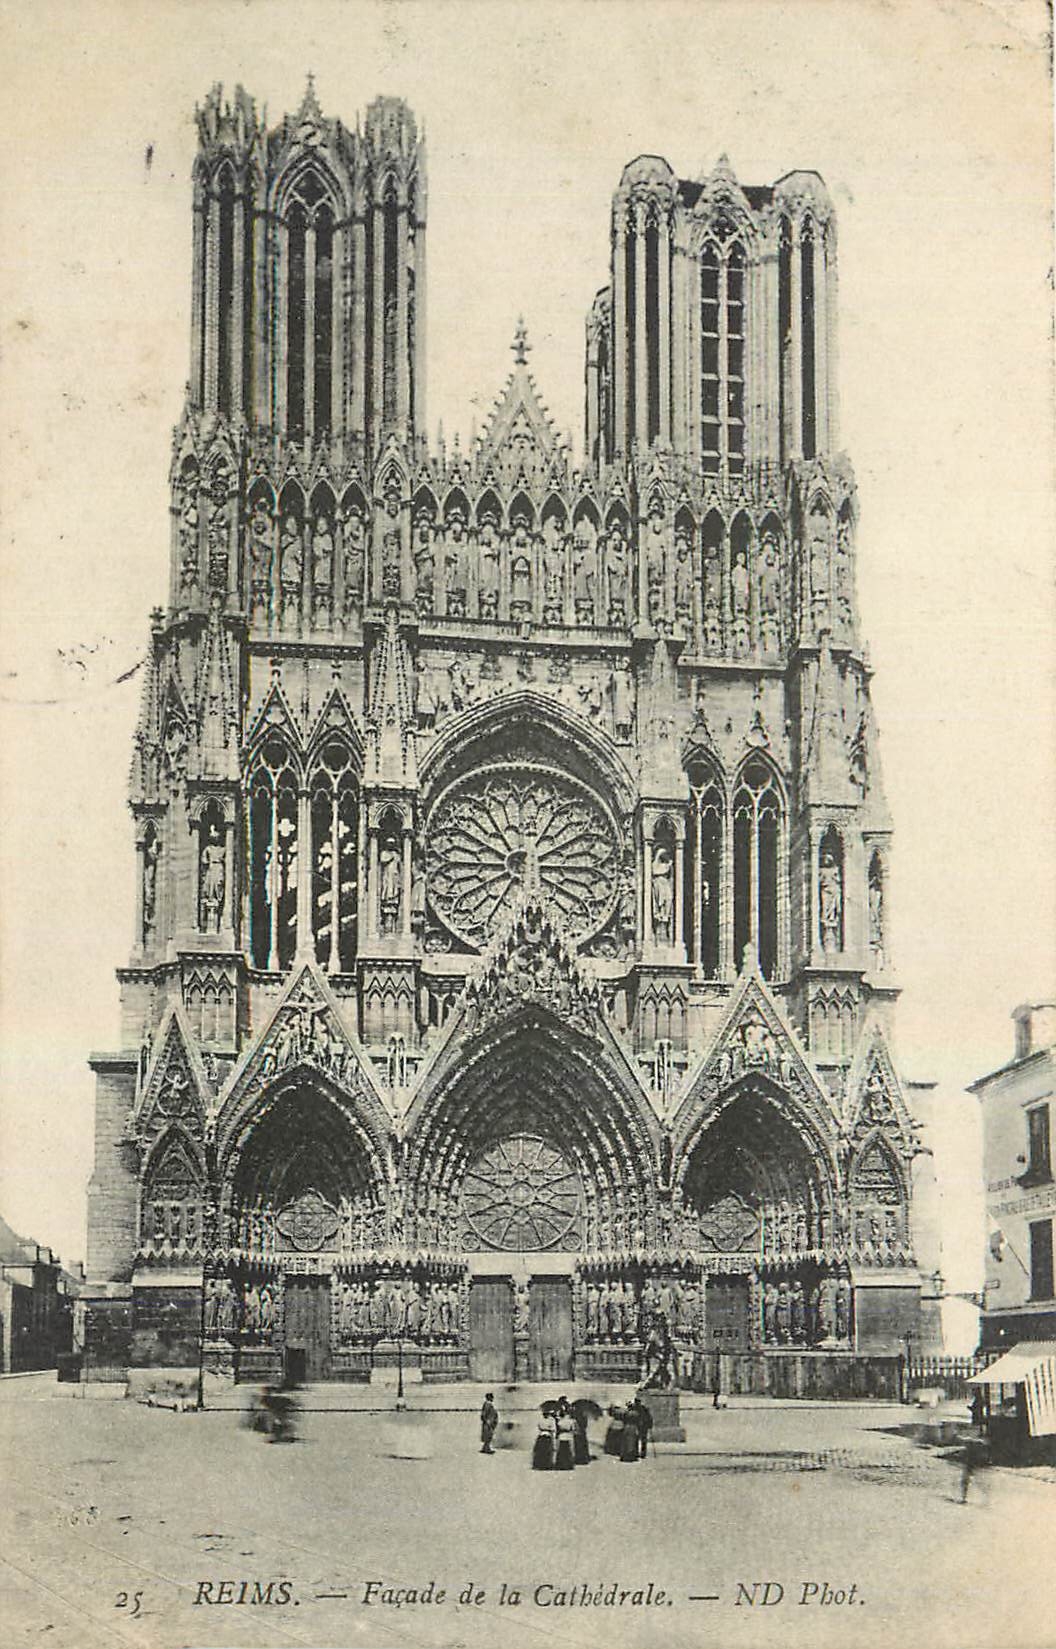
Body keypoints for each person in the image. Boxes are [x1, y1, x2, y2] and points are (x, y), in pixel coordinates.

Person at [554, 1398, 576, 1470]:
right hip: (568, 1436)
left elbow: (558, 1428)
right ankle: (568, 1464)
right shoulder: (570, 1421)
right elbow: (572, 1429)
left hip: (561, 1436)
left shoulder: (560, 1422)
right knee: (568, 1450)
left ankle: (560, 1464)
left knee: (561, 1450)